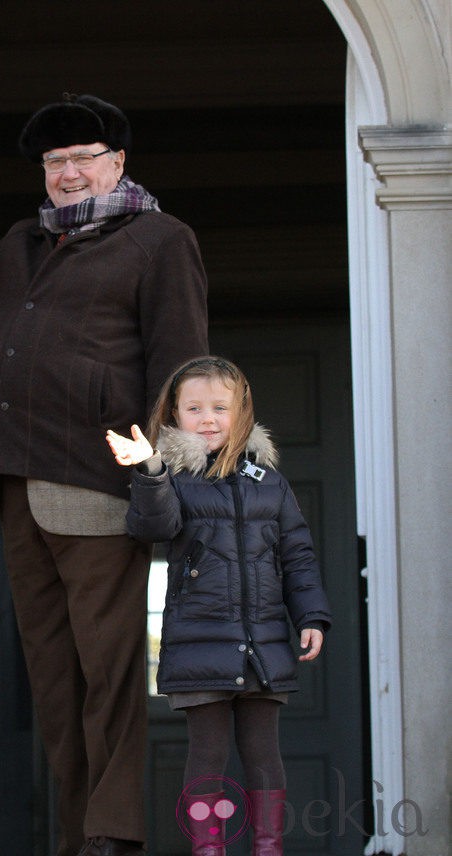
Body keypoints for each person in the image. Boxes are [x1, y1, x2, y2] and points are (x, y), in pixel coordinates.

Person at [0, 93, 209, 855]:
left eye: (82, 159)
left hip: (101, 479)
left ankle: (114, 833)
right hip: (14, 479)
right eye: (54, 162)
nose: (67, 174)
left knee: (109, 673)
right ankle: (77, 837)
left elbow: (180, 360)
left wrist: (165, 474)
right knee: (55, 682)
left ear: (118, 163)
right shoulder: (22, 241)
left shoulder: (160, 239)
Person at [106, 356, 332, 856]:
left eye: (219, 408)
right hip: (200, 644)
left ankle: (267, 847)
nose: (207, 418)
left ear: (242, 412)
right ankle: (208, 849)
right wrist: (150, 471)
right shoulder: (173, 476)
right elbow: (154, 527)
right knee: (207, 754)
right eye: (194, 408)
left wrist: (311, 615)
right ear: (174, 413)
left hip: (263, 645)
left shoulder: (268, 480)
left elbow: (297, 553)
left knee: (263, 753)